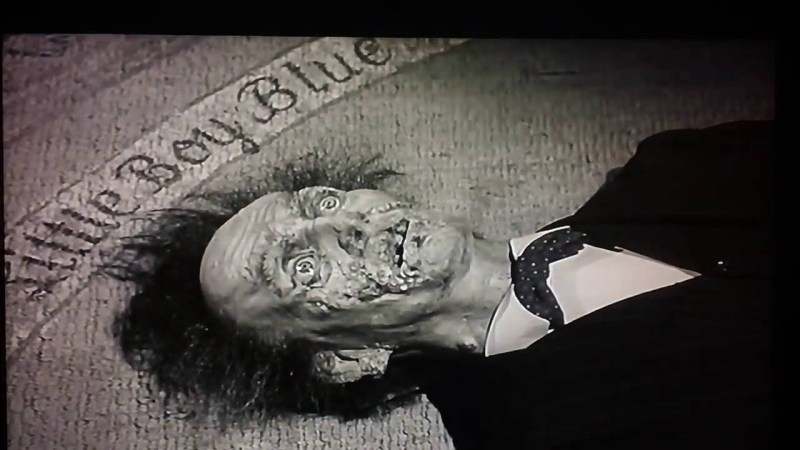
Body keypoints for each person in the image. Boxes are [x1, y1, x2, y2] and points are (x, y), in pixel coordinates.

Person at [107, 120, 773, 447]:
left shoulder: (675, 161)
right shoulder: (537, 435)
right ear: (341, 361)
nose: (344, 225)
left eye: (318, 203)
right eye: (303, 268)